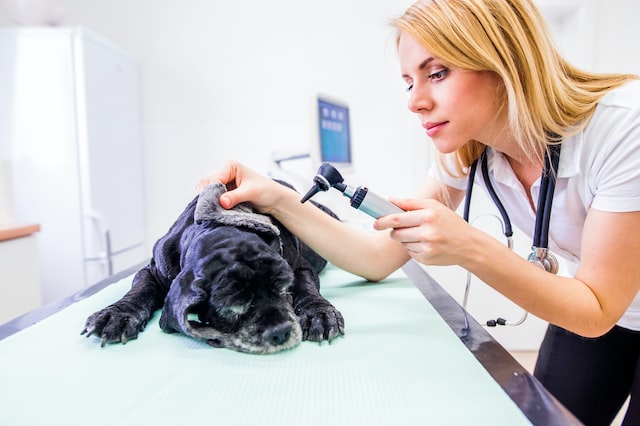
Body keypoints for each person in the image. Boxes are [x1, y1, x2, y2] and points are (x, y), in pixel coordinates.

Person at [198, 0, 640, 424]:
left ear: (505, 60)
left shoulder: (624, 127)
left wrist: (468, 247)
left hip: (597, 304)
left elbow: (596, 308)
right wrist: (275, 196)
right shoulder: (468, 151)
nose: (415, 102)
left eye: (438, 73)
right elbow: (377, 256)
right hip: (592, 304)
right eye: (410, 81)